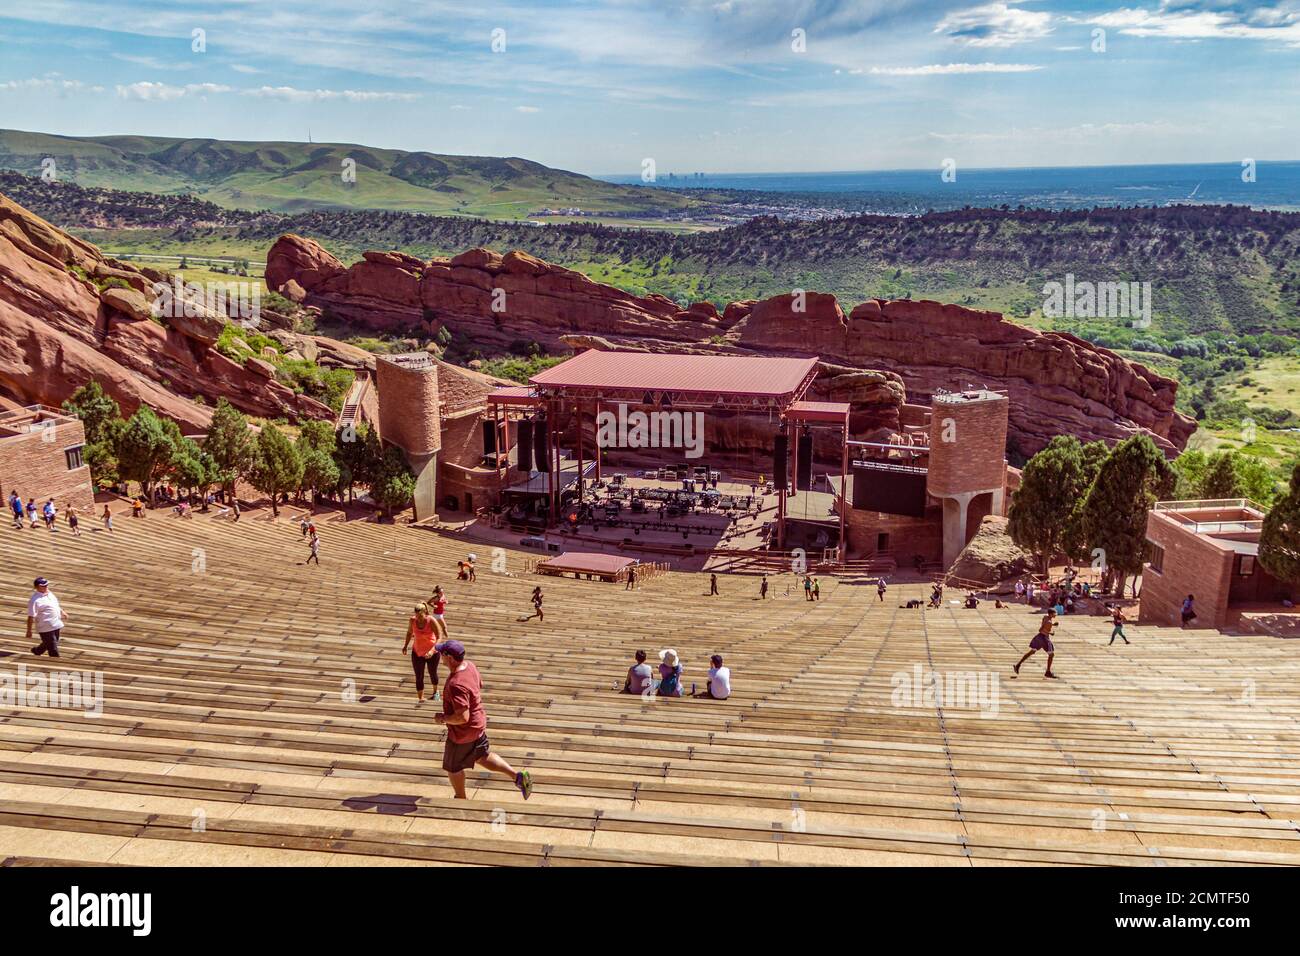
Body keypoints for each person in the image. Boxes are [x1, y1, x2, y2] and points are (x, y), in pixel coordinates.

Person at [434, 640, 532, 800]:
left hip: (462, 734)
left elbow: (462, 717)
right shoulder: (470, 666)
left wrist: (443, 718)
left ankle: (461, 799)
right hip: (478, 723)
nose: (439, 656)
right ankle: (518, 777)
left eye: (441, 653)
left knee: (453, 767)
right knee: (482, 756)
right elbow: (479, 684)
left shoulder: (455, 684)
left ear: (449, 657)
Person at [401, 603, 440, 703]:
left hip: (432, 652)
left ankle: (435, 692)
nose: (418, 618)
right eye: (416, 616)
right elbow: (409, 633)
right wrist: (405, 646)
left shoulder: (431, 620)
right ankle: (421, 699)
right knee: (419, 676)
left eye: (420, 616)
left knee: (433, 673)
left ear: (425, 613)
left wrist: (432, 650)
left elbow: (439, 637)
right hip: (417, 652)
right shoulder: (412, 620)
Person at [27, 577, 67, 659]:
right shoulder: (34, 600)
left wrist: (62, 611)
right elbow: (31, 616)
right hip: (45, 627)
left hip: (56, 623)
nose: (46, 587)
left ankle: (37, 650)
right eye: (43, 586)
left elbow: (54, 604)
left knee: (52, 641)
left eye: (46, 585)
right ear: (36, 587)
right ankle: (56, 664)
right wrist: (29, 630)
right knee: (53, 648)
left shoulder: (49, 593)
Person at [1013, 608, 1058, 679]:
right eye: (1054, 613)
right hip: (1044, 638)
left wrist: (1053, 624)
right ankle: (1048, 672)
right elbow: (1041, 629)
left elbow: (1045, 624)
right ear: (1050, 614)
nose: (1056, 614)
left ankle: (1018, 665)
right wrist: (1051, 633)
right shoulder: (1049, 622)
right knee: (1051, 654)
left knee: (1031, 652)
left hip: (1039, 638)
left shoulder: (1045, 617)